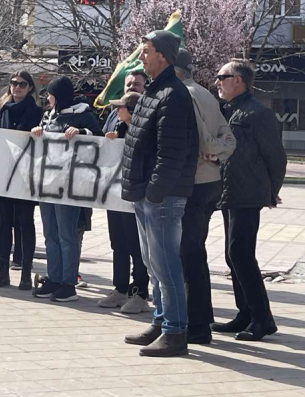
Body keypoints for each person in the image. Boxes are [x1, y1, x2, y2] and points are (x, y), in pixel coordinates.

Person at [121, 30, 198, 358]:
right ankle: (162, 321)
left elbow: (172, 153)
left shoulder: (173, 95)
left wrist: (154, 192)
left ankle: (175, 331)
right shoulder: (155, 90)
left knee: (166, 265)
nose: (141, 56)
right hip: (147, 192)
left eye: (147, 50)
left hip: (162, 196)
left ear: (163, 55)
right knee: (154, 264)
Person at [213, 59, 286, 341]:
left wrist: (271, 191)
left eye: (222, 76)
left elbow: (276, 157)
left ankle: (262, 319)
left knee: (241, 253)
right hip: (229, 192)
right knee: (233, 256)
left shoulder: (258, 113)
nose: (217, 82)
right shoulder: (228, 110)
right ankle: (245, 313)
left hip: (248, 193)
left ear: (238, 80)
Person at [174, 50, 237, 345]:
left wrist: (211, 149)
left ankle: (196, 324)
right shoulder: (206, 95)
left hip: (194, 182)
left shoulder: (185, 94)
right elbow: (229, 140)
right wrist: (217, 152)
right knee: (195, 252)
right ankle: (201, 318)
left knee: (187, 254)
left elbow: (206, 141)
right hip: (209, 181)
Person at [31, 76, 102, 302]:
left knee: (67, 235)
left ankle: (68, 284)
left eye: (51, 95)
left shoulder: (83, 114)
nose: (48, 99)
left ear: (58, 96)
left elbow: (99, 138)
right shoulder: (48, 116)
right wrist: (37, 131)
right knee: (50, 234)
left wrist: (82, 132)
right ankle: (54, 278)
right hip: (47, 183)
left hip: (70, 185)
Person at [99, 75, 152, 314]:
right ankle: (119, 288)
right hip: (115, 192)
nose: (116, 111)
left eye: (120, 107)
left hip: (136, 194)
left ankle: (139, 292)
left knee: (136, 244)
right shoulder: (115, 124)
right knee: (117, 242)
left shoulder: (146, 129)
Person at [0, 71, 42, 290]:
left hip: (25, 175)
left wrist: (39, 131)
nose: (17, 87)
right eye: (13, 83)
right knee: (3, 222)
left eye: (22, 84)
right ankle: (2, 271)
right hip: (4, 174)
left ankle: (26, 273)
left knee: (25, 223)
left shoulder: (36, 112)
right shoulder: (2, 110)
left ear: (30, 88)